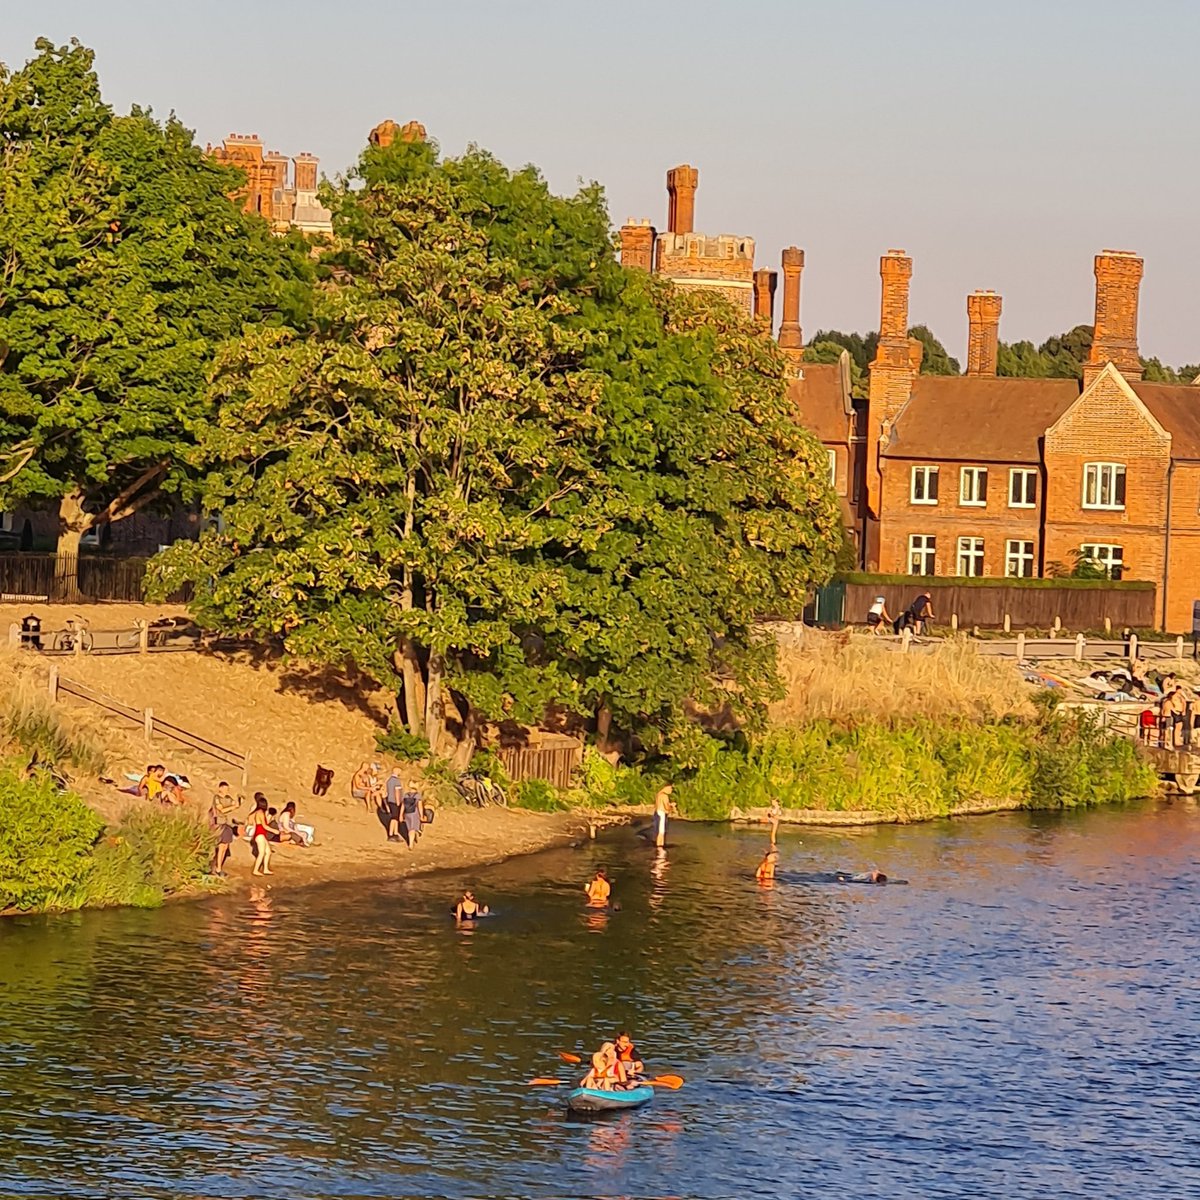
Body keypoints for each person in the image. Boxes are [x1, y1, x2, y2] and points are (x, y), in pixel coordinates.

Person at [209, 781, 241, 876]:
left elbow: (235, 804)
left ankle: (219, 867)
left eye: (227, 789)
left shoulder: (228, 798)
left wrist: (238, 801)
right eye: (225, 789)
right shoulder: (216, 798)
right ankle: (217, 868)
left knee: (225, 846)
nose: (227, 791)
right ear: (220, 788)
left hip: (225, 823)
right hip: (218, 823)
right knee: (221, 847)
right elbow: (221, 809)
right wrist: (233, 807)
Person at [246, 795, 273, 876]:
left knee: (268, 852)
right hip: (260, 834)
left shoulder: (258, 812)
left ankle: (265, 869)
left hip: (261, 835)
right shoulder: (260, 813)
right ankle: (255, 870)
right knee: (261, 853)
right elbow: (264, 826)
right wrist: (274, 831)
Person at [384, 768, 405, 842]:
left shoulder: (389, 780)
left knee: (395, 818)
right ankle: (391, 834)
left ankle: (395, 833)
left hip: (390, 800)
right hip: (395, 801)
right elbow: (397, 792)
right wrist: (398, 802)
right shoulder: (397, 781)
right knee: (394, 818)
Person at [402, 785, 424, 849]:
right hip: (414, 814)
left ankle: (412, 839)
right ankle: (411, 843)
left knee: (409, 829)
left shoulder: (406, 795)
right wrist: (421, 815)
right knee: (412, 829)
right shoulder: (417, 796)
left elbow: (402, 806)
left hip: (407, 814)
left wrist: (401, 814)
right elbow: (420, 806)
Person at [652, 784, 672, 849]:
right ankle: (660, 848)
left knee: (659, 832)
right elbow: (666, 806)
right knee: (661, 833)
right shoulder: (665, 796)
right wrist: (671, 807)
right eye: (670, 788)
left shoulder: (659, 794)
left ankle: (659, 847)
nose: (671, 790)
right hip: (662, 814)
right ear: (666, 788)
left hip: (657, 813)